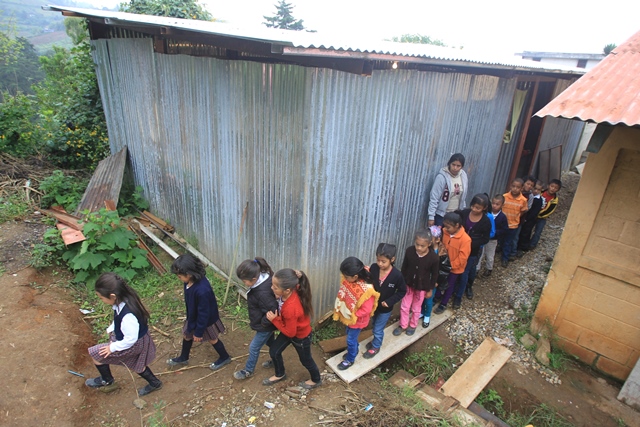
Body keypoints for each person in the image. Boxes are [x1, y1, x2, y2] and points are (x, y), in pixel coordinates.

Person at [86, 273, 162, 396]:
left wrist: (112, 347)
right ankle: (155, 383)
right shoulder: (126, 299)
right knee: (138, 363)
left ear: (112, 296)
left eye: (101, 298)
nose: (101, 300)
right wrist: (113, 328)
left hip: (133, 343)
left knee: (97, 355)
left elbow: (130, 339)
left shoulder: (128, 316)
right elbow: (120, 321)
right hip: (139, 339)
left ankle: (107, 380)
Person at [167, 253, 231, 371]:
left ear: (189, 274)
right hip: (193, 317)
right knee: (187, 335)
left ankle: (225, 357)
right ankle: (184, 357)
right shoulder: (189, 282)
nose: (179, 278)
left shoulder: (202, 290)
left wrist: (199, 332)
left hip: (204, 321)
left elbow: (204, 313)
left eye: (180, 276)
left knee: (212, 339)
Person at [264, 268, 322, 389]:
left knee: (306, 360)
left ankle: (316, 379)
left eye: (275, 288)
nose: (272, 288)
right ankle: (280, 374)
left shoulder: (290, 308)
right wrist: (300, 274)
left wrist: (275, 320)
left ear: (286, 290)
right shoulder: (295, 288)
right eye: (273, 285)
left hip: (300, 337)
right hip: (289, 328)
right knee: (274, 351)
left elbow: (291, 333)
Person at [233, 257, 278, 380]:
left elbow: (274, 309)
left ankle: (248, 370)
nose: (244, 283)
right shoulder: (264, 277)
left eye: (245, 281)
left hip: (266, 325)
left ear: (254, 279)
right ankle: (276, 360)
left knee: (254, 347)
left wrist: (262, 324)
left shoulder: (262, 293)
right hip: (266, 323)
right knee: (272, 344)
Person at [334, 256, 380, 367]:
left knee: (350, 339)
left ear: (355, 276)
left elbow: (367, 309)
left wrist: (353, 314)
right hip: (351, 318)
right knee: (349, 334)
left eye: (346, 277)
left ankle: (350, 359)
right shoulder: (356, 278)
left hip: (357, 320)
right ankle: (355, 349)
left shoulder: (366, 291)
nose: (344, 279)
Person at [363, 245, 405, 358]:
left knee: (378, 328)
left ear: (392, 259)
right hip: (373, 305)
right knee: (374, 323)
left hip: (385, 309)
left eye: (383, 261)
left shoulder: (397, 275)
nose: (380, 264)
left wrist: (389, 301)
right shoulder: (374, 268)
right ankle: (375, 341)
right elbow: (368, 281)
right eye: (378, 260)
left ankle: (376, 346)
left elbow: (402, 291)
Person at [395, 230, 438, 336]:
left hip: (422, 287)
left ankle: (413, 325)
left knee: (416, 307)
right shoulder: (409, 251)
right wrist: (402, 282)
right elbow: (404, 267)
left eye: (422, 246)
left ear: (429, 244)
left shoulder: (433, 258)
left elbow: (435, 275)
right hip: (408, 284)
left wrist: (430, 289)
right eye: (417, 244)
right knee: (405, 306)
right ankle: (403, 325)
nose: (419, 248)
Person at [454, 194, 491, 306]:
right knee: (457, 269)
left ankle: (459, 296)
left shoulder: (486, 221)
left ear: (484, 208)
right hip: (458, 249)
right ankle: (454, 289)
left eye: (478, 208)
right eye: (473, 207)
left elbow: (485, 239)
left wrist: (470, 244)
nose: (474, 210)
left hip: (473, 251)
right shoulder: (464, 213)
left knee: (465, 272)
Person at [434, 212, 471, 314]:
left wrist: (450, 266)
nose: (446, 229)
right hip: (443, 265)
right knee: (440, 280)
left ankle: (444, 303)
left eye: (448, 227)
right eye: (445, 226)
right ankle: (437, 297)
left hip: (455, 268)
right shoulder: (445, 232)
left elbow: (463, 257)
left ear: (457, 225)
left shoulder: (466, 239)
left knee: (449, 285)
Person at [428, 153, 469, 227]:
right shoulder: (442, 177)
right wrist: (431, 216)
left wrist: (463, 210)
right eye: (453, 164)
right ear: (449, 163)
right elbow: (434, 197)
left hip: (456, 215)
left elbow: (463, 196)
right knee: (439, 236)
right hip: (442, 215)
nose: (455, 168)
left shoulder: (463, 176)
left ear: (462, 167)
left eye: (458, 166)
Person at [421, 226, 446, 328]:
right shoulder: (427, 250)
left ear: (437, 239)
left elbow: (442, 270)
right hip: (424, 279)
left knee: (428, 299)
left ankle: (427, 315)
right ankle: (422, 312)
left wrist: (436, 281)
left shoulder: (441, 253)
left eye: (429, 237)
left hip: (433, 281)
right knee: (422, 297)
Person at [477, 194, 508, 276]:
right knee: (480, 254)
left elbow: (504, 230)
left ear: (502, 205)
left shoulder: (502, 217)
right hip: (483, 238)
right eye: (493, 203)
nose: (494, 206)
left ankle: (489, 268)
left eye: (497, 204)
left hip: (492, 240)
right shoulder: (487, 214)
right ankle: (477, 269)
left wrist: (495, 233)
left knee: (490, 255)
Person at [501, 178, 528, 267]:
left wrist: (517, 216)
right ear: (510, 186)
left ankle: (505, 258)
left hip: (513, 225)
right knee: (501, 239)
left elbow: (523, 210)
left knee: (509, 242)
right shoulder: (504, 197)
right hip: (503, 224)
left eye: (518, 187)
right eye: (513, 186)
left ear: (521, 189)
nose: (515, 189)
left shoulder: (523, 200)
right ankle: (500, 250)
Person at [529, 179, 562, 250]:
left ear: (558, 190)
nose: (553, 189)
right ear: (548, 186)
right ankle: (525, 242)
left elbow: (550, 210)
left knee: (538, 232)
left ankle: (532, 244)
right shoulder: (540, 192)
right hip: (532, 215)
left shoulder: (554, 200)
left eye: (556, 188)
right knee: (528, 228)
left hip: (541, 218)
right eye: (552, 186)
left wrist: (539, 214)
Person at [517, 180, 545, 256]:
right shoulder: (529, 196)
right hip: (523, 217)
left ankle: (521, 247)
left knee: (525, 233)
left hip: (530, 220)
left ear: (541, 190)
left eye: (538, 189)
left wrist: (527, 218)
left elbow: (534, 212)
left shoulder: (539, 200)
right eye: (535, 188)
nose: (536, 191)